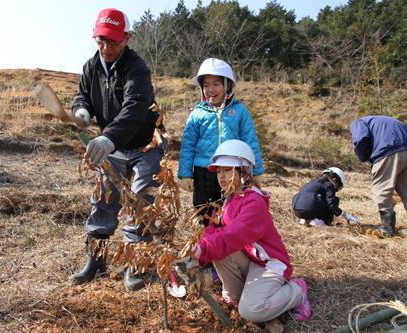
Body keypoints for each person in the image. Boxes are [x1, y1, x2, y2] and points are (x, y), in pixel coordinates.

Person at [68, 8, 166, 291]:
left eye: (112, 40)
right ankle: (96, 260)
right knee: (103, 197)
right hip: (112, 145)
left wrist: (108, 137)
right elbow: (82, 96)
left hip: (146, 144)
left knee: (141, 200)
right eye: (101, 40)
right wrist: (83, 110)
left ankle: (135, 264)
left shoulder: (137, 68)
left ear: (126, 38)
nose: (106, 47)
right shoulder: (91, 67)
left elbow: (135, 108)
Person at [188, 140, 310, 322]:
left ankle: (297, 290)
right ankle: (234, 294)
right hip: (250, 258)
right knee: (217, 248)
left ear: (244, 171)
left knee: (251, 311)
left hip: (268, 263)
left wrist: (201, 250)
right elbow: (211, 232)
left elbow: (236, 234)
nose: (221, 176)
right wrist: (195, 254)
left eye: (228, 170)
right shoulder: (224, 201)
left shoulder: (254, 202)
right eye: (219, 171)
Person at [178, 58, 264, 227]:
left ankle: (227, 242)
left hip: (232, 171)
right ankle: (205, 243)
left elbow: (251, 142)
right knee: (204, 210)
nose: (211, 89)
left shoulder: (240, 111)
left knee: (231, 209)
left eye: (216, 84)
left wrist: (257, 171)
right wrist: (186, 174)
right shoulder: (197, 114)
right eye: (206, 84)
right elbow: (188, 146)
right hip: (204, 172)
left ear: (228, 85)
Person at [351, 115, 407, 237]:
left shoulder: (358, 122)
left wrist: (364, 158)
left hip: (388, 152)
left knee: (381, 190)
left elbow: (360, 139)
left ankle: (387, 229)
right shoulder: (388, 120)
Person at [292, 167, 360, 227]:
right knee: (334, 200)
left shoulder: (312, 182)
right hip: (310, 208)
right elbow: (331, 206)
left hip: (297, 210)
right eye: (338, 185)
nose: (336, 188)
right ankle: (320, 222)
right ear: (334, 180)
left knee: (316, 199)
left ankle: (305, 219)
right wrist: (346, 215)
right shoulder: (329, 185)